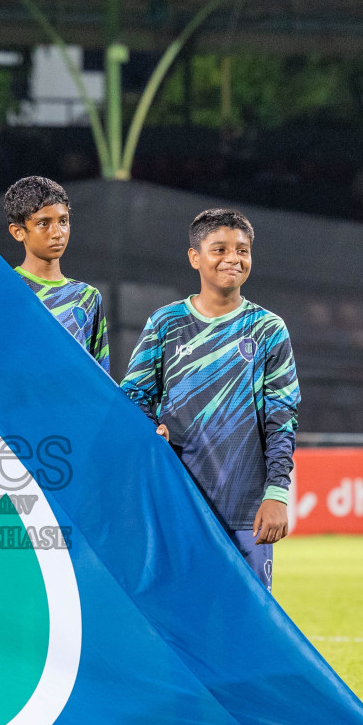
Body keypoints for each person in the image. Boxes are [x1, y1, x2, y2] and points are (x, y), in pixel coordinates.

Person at [119, 208, 298, 588]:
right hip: (176, 503)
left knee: (248, 631)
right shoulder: (165, 324)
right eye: (219, 249)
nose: (233, 258)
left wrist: (278, 493)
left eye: (243, 250)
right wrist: (150, 429)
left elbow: (282, 417)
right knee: (179, 623)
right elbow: (132, 397)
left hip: (246, 509)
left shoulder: (268, 329)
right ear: (194, 257)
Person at [0, 176, 109, 371]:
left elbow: (101, 380)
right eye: (44, 223)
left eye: (63, 221)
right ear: (18, 232)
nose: (57, 232)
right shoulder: (0, 289)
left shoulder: (88, 297)